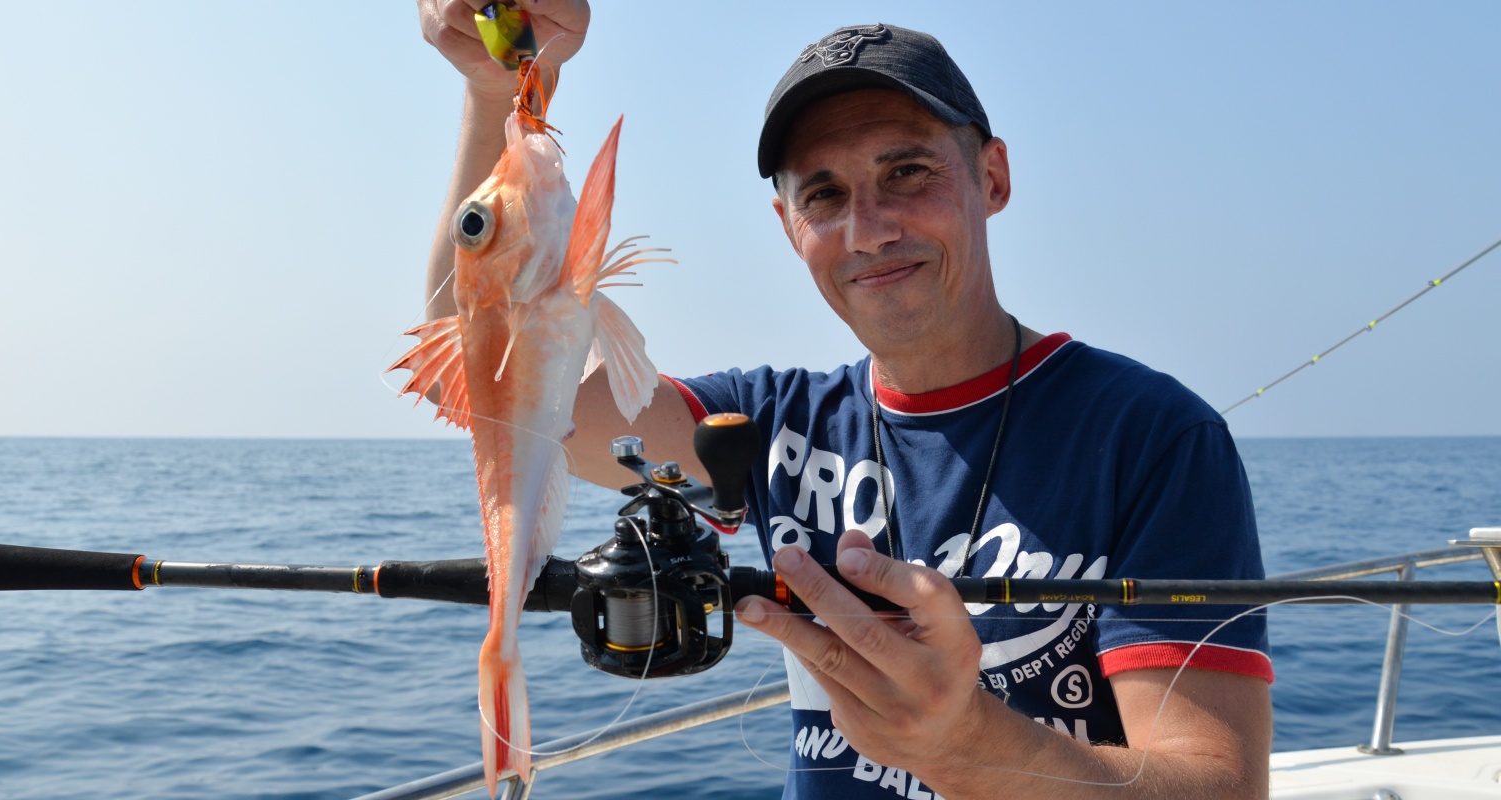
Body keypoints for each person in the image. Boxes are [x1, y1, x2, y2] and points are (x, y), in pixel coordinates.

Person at [417, 2, 1274, 797]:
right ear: (790, 226)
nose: (869, 228)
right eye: (824, 194)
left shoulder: (1154, 437)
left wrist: (967, 741)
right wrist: (493, 90)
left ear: (994, 175)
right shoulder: (762, 425)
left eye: (907, 171)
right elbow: (488, 385)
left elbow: (1219, 786)